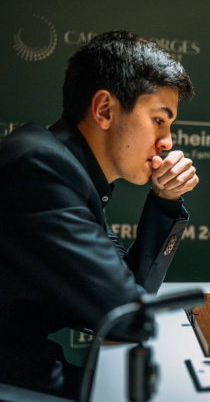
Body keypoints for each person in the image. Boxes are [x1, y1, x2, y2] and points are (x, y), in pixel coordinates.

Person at [0, 30, 198, 398]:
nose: (168, 142)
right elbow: (127, 317)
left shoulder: (65, 167)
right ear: (105, 109)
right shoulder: (43, 170)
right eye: (159, 120)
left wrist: (164, 199)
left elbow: (130, 290)